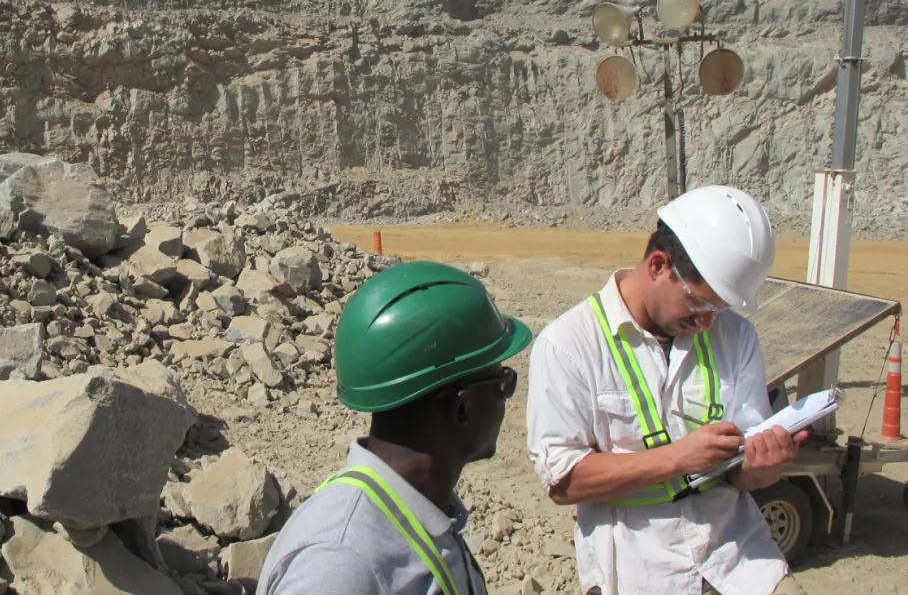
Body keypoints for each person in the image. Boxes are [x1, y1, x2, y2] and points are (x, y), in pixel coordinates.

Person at [525, 185, 808, 595]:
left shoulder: (738, 336)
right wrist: (677, 458)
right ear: (658, 266)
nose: (709, 322)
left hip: (738, 561)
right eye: (698, 305)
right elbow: (565, 482)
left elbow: (744, 475)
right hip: (637, 572)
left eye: (720, 309)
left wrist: (764, 468)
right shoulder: (569, 346)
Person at [256, 261, 532, 595]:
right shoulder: (340, 564)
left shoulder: (418, 510)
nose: (507, 399)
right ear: (463, 407)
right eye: (503, 384)